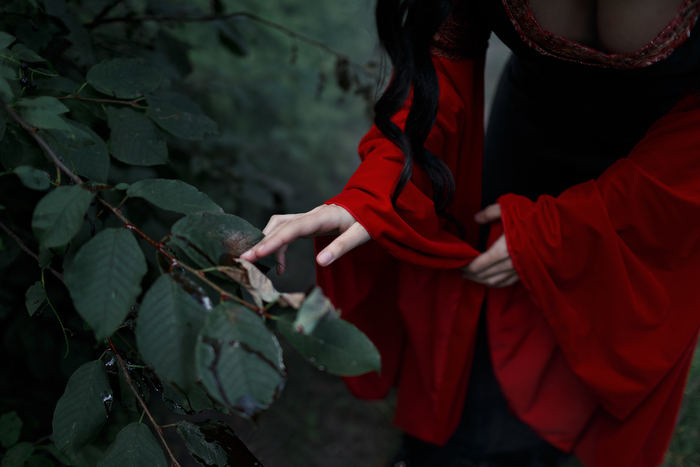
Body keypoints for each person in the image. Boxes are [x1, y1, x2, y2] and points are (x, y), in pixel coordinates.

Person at [241, 0, 700, 465]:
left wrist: (560, 231)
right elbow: (439, 73)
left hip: (666, 189)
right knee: (475, 338)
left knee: (600, 339)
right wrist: (379, 189)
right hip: (529, 142)